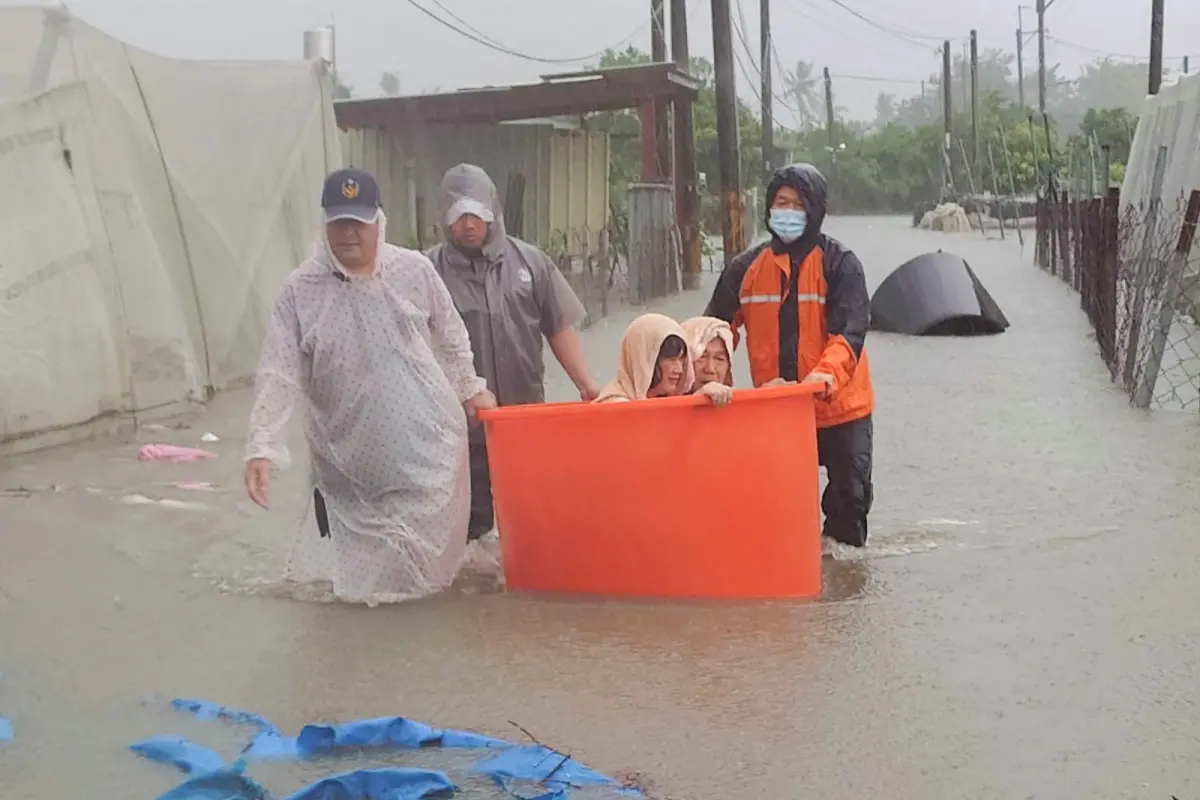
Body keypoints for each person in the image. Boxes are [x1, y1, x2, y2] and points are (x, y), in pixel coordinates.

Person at [242, 167, 496, 604]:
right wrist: (262, 445)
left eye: (358, 223)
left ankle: (413, 657)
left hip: (427, 456)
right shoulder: (299, 292)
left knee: (425, 587)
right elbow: (278, 371)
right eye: (338, 223)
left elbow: (452, 335)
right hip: (348, 467)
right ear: (324, 225)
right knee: (360, 593)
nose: (348, 234)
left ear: (378, 223)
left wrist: (470, 387)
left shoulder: (413, 271)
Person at [703, 163, 874, 548]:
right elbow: (713, 334)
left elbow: (850, 334)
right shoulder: (744, 269)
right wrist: (703, 379)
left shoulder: (841, 265)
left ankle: (841, 591)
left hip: (841, 408)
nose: (789, 212)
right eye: (781, 203)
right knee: (774, 508)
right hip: (776, 409)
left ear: (815, 210)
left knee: (849, 507)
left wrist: (823, 376)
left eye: (799, 205)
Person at [426, 164, 598, 541]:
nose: (468, 224)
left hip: (524, 421)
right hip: (457, 430)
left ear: (492, 211)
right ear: (444, 218)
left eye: (476, 213)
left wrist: (587, 385)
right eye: (457, 215)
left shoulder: (531, 262)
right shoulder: (425, 272)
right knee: (467, 534)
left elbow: (558, 326)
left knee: (532, 523)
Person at [593, 313, 730, 405]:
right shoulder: (615, 404)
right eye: (670, 359)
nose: (679, 369)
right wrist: (696, 401)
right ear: (644, 358)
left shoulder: (663, 400)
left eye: (682, 359)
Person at [681, 316, 735, 390]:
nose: (710, 369)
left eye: (719, 359)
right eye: (701, 357)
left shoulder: (742, 400)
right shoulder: (661, 400)